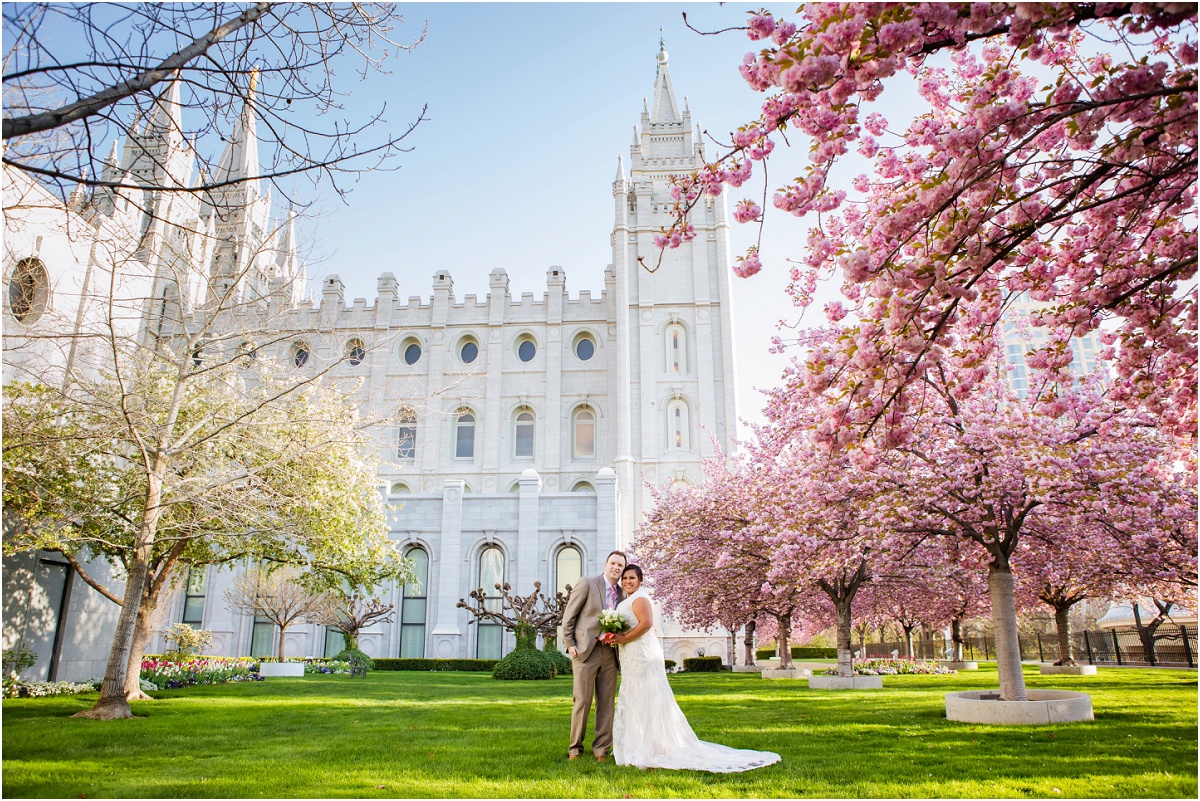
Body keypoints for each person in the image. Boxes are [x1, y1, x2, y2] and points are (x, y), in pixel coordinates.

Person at [607, 564, 781, 772]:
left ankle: (652, 747)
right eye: (625, 578)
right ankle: (639, 743)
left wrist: (623, 638)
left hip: (642, 655)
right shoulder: (627, 600)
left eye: (632, 578)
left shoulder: (641, 598)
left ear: (640, 580)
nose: (627, 581)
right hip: (631, 655)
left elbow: (645, 624)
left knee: (647, 696)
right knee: (636, 696)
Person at [560, 550, 627, 761]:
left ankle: (601, 750)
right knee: (582, 701)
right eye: (613, 563)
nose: (616, 568)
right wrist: (569, 644)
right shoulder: (588, 583)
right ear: (606, 564)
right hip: (585, 651)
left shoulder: (624, 594)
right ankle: (574, 749)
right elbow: (569, 615)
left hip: (610, 653)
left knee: (606, 702)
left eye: (620, 566)